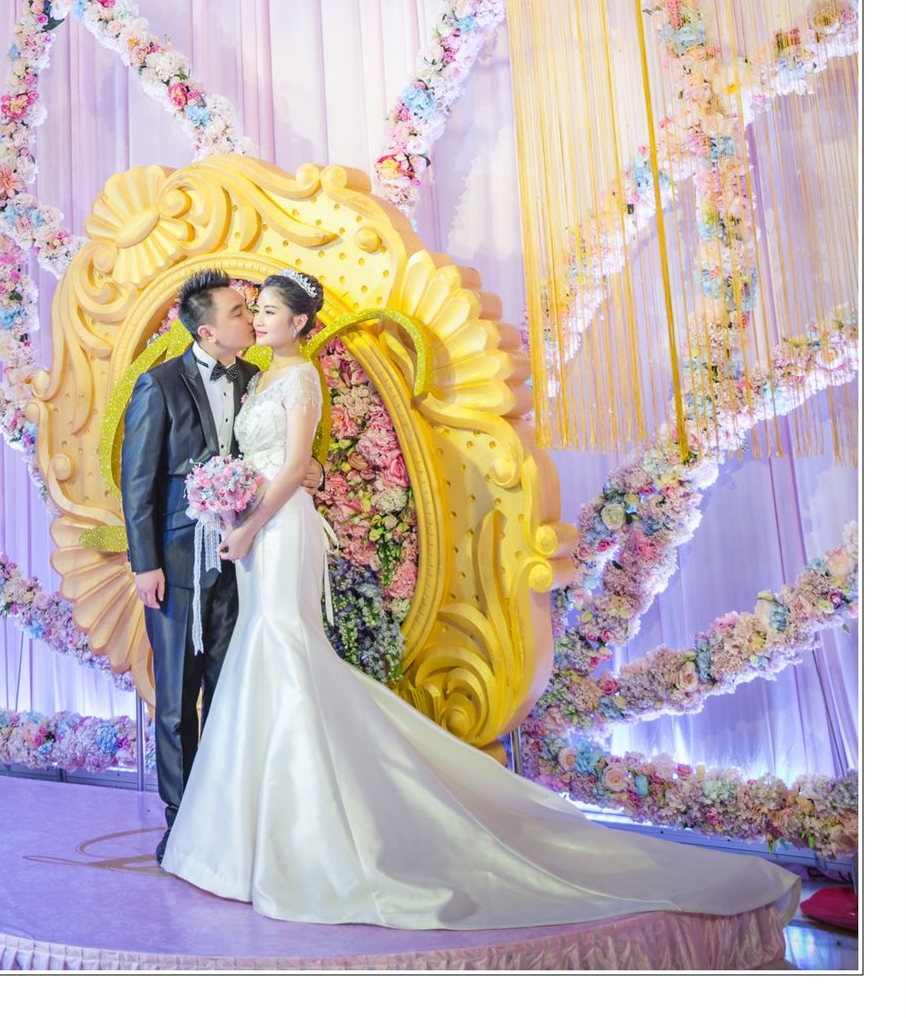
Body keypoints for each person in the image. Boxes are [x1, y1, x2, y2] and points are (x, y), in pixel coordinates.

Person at [161, 269, 801, 938]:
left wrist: (248, 526)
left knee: (284, 646)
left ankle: (307, 836)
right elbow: (280, 463)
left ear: (298, 323)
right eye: (253, 310)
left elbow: (295, 468)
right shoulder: (262, 377)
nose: (258, 318)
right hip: (258, 527)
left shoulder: (298, 378)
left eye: (268, 310)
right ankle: (256, 834)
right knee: (270, 651)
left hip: (280, 527)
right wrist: (230, 508)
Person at [120, 268, 322, 866]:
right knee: (177, 700)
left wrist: (309, 471)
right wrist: (145, 564)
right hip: (179, 563)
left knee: (231, 691)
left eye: (254, 308)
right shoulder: (160, 385)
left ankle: (227, 819)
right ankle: (182, 824)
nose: (251, 316)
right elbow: (138, 483)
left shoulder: (260, 378)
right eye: (239, 311)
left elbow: (280, 457)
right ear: (207, 331)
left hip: (248, 560)